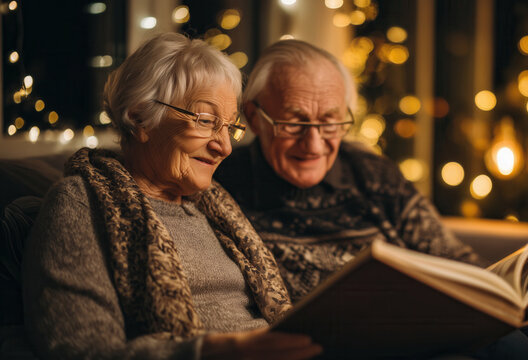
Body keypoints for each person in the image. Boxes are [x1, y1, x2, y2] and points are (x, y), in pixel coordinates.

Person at [214, 39, 528, 359]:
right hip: (347, 346)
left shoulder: (369, 170)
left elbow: (449, 256)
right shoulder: (223, 186)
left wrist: (490, 297)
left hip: (425, 325)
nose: (314, 143)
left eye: (330, 121)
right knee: (496, 346)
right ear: (253, 116)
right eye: (295, 122)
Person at [22, 33, 322, 360]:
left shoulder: (214, 210)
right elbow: (80, 348)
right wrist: (210, 352)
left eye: (229, 128)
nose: (225, 146)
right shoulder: (80, 203)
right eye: (206, 121)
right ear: (140, 118)